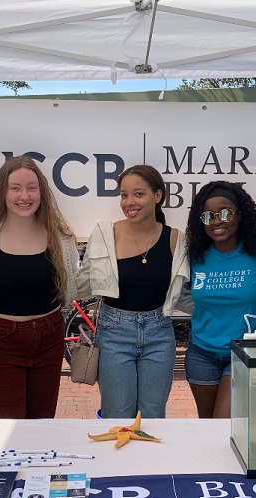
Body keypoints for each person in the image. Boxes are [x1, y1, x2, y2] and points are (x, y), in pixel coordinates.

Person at [76, 164, 189, 419]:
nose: (129, 202)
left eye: (138, 194)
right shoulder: (106, 233)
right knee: (117, 416)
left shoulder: (175, 238)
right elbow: (83, 282)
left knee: (152, 417)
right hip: (113, 333)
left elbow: (183, 293)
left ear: (158, 196)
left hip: (159, 333)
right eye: (124, 195)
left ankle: (150, 461)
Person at [0, 156, 79, 419]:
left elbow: (72, 291)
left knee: (41, 426)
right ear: (2, 192)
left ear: (41, 191)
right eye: (15, 188)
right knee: (7, 428)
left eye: (32, 187)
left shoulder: (59, 236)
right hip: (1, 342)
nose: (25, 195)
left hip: (49, 337)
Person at [184, 181, 256, 419]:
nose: (217, 221)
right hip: (202, 353)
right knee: (206, 423)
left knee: (224, 423)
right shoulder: (194, 256)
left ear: (240, 215)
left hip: (244, 351)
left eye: (225, 213)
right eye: (208, 216)